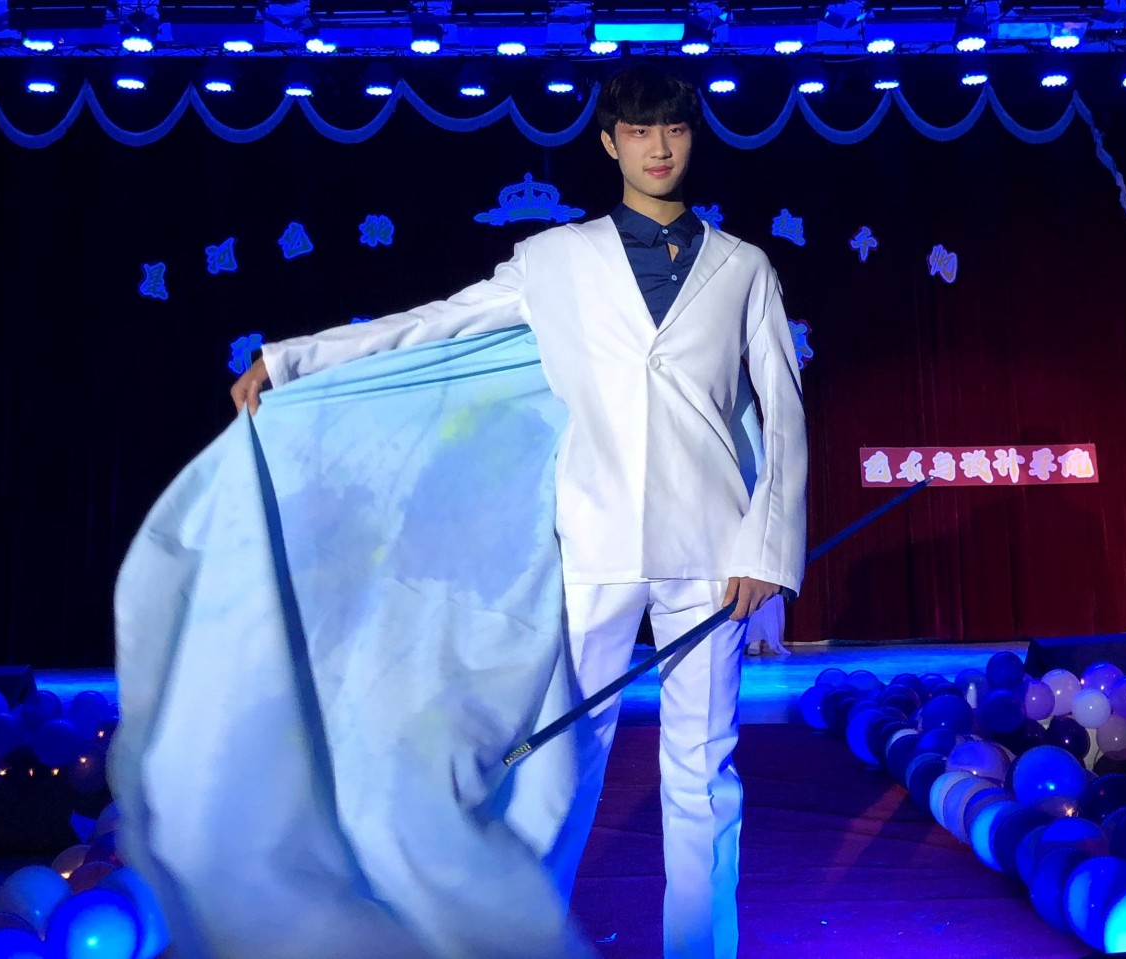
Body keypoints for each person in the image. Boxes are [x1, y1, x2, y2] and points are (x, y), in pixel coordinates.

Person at [231, 63, 808, 959]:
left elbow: (784, 411)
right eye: (639, 130)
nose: (659, 147)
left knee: (703, 774)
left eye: (674, 128)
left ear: (693, 137)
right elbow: (434, 322)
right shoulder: (555, 261)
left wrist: (768, 548)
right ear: (609, 142)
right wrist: (296, 358)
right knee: (558, 769)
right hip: (594, 545)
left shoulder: (743, 267)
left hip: (712, 548)